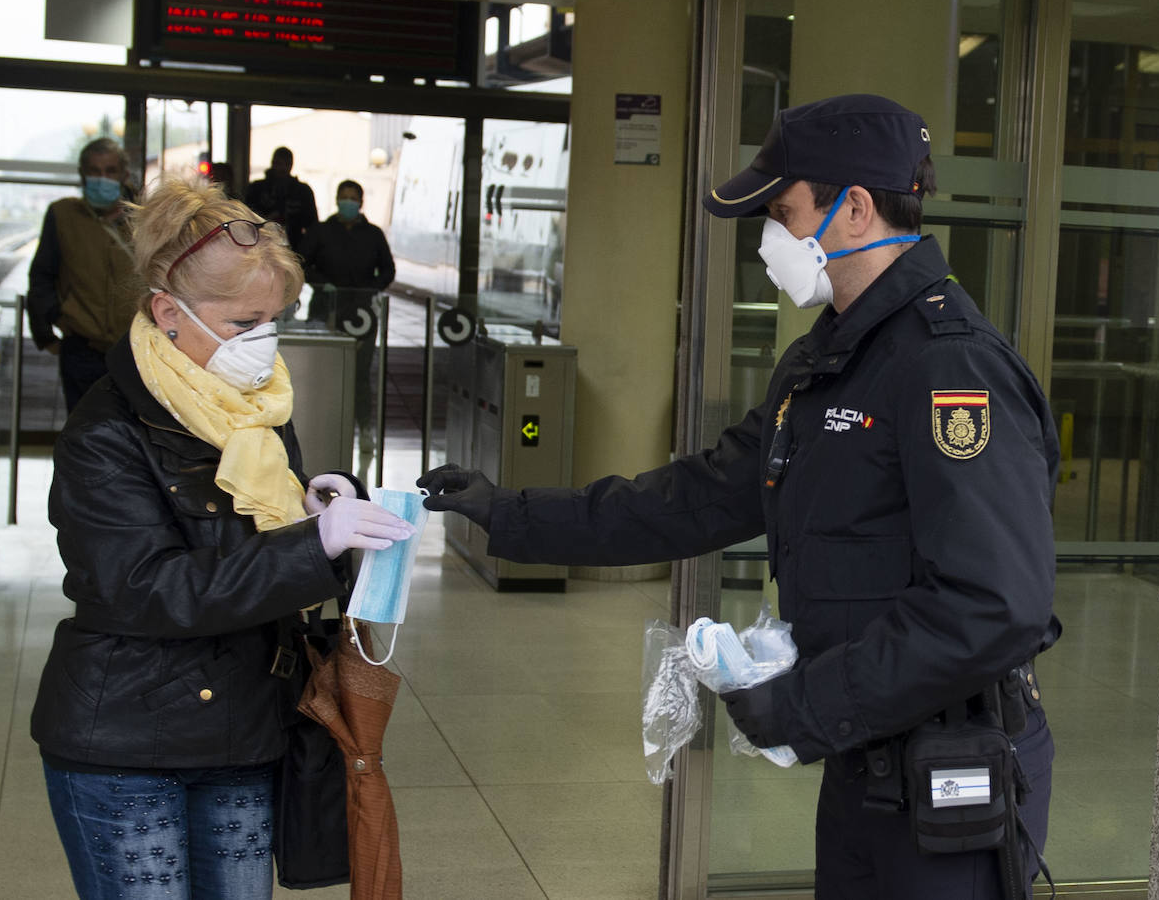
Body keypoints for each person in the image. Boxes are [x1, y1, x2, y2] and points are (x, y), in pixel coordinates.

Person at [417, 94, 1060, 900]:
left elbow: (995, 605)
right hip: (866, 759)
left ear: (854, 208)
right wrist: (509, 512)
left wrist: (805, 704)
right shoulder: (827, 360)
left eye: (782, 214)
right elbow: (699, 497)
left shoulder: (949, 368)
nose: (768, 241)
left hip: (949, 771)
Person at [29, 177, 415, 900]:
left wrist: (312, 510)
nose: (264, 341)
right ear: (169, 313)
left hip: (246, 728)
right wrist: (311, 546)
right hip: (126, 744)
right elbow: (148, 589)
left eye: (274, 319)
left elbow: (257, 538)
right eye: (245, 324)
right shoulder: (104, 432)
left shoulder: (256, 408)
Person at [25, 137, 145, 412]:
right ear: (82, 174)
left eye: (110, 171)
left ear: (124, 175)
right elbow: (42, 274)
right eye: (94, 171)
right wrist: (48, 329)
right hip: (82, 348)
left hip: (135, 350)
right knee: (82, 432)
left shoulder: (145, 219)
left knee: (134, 435)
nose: (102, 178)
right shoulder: (63, 215)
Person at [299, 179, 396, 457]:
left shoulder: (373, 234)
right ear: (337, 200)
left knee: (361, 374)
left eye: (353, 198)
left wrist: (371, 289)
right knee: (323, 372)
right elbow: (301, 262)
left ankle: (364, 430)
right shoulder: (321, 231)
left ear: (361, 202)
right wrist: (321, 284)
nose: (348, 202)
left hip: (361, 314)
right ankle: (320, 427)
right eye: (344, 197)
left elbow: (387, 270)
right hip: (326, 311)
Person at [244, 146, 317, 253]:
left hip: (294, 246)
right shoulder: (257, 188)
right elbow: (246, 219)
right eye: (279, 163)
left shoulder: (302, 191)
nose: (282, 168)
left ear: (291, 165)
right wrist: (267, 220)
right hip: (261, 244)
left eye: (287, 164)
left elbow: (312, 225)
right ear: (273, 163)